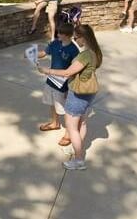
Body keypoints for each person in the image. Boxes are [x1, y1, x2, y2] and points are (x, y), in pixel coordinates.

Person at [37, 24, 103, 171]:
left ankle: (78, 160)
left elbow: (67, 73)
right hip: (89, 93)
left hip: (78, 94)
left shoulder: (85, 55)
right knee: (82, 124)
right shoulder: (95, 53)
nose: (75, 40)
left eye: (76, 37)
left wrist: (47, 70)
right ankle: (76, 150)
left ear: (83, 38)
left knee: (72, 128)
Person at [36, 23, 79, 146]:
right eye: (58, 32)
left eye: (60, 33)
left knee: (65, 109)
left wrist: (70, 84)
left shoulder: (73, 50)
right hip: (51, 80)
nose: (57, 34)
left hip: (63, 84)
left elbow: (74, 69)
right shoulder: (55, 43)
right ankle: (55, 123)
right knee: (52, 103)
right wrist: (32, 54)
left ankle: (68, 132)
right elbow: (44, 53)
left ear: (68, 36)